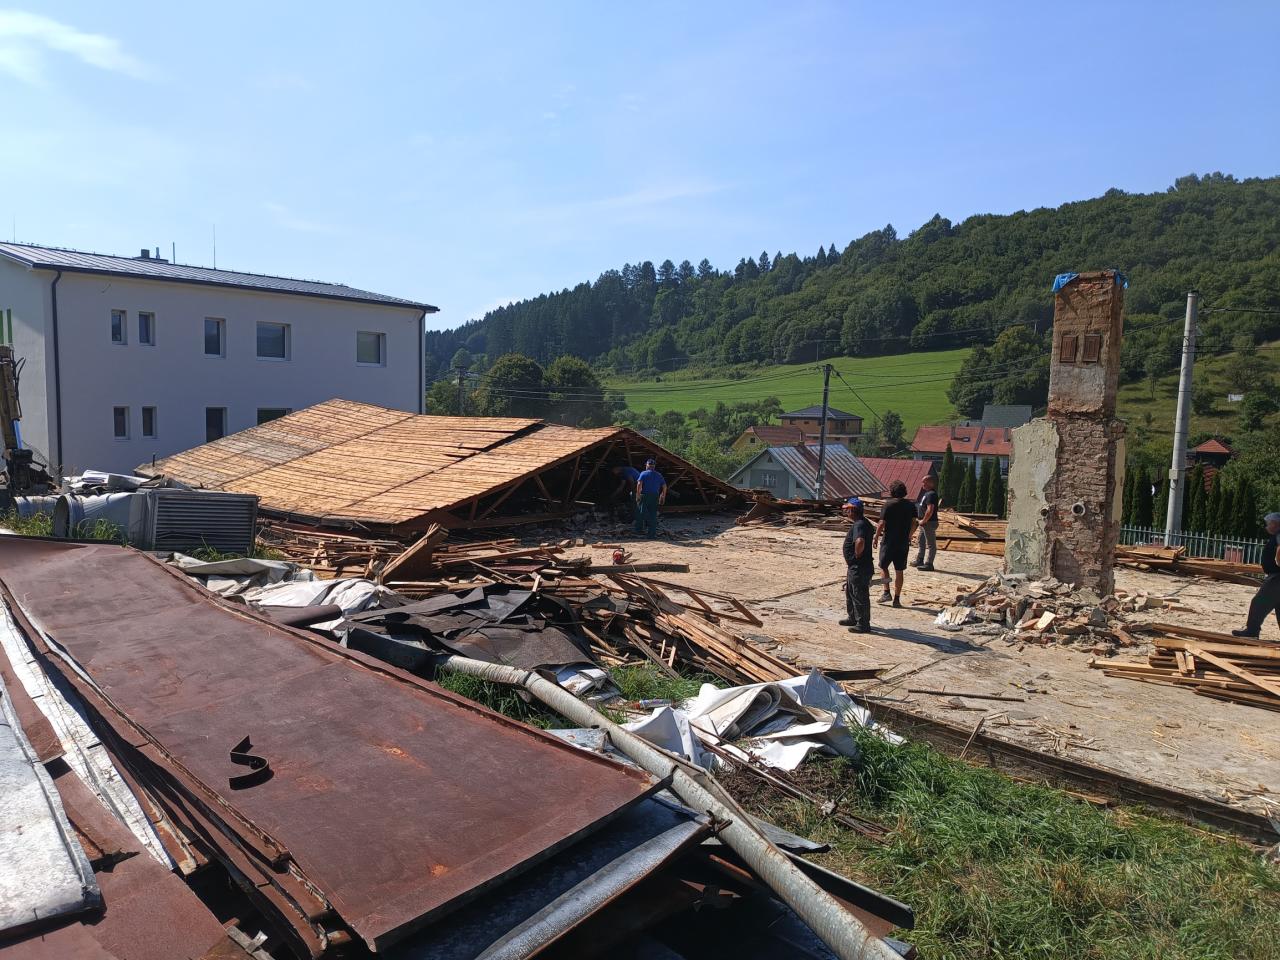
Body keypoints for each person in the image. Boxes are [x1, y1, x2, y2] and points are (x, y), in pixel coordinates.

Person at [1232, 511, 1280, 639]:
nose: (1267, 526)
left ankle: (1252, 631)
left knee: (1259, 602)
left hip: (1277, 577)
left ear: (1275, 524)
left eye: (1269, 523)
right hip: (1276, 576)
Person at [874, 479, 917, 608]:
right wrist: (909, 535)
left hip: (889, 541)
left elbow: (882, 523)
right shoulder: (911, 506)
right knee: (899, 570)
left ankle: (886, 592)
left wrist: (876, 536)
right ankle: (897, 599)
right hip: (903, 542)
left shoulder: (888, 505)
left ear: (892, 491)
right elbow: (914, 523)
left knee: (883, 566)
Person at [839, 498, 874, 633]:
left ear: (853, 510)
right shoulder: (862, 523)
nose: (846, 512)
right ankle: (853, 617)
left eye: (848, 509)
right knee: (851, 593)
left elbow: (860, 541)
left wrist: (856, 556)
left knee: (859, 595)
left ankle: (863, 624)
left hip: (859, 567)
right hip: (855, 567)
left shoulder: (860, 524)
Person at [634, 458, 667, 538]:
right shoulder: (659, 475)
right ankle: (651, 534)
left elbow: (639, 484)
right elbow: (665, 486)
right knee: (653, 514)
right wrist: (663, 496)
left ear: (647, 465)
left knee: (640, 512)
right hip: (655, 496)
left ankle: (639, 530)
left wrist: (638, 494)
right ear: (654, 466)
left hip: (645, 495)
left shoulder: (643, 473)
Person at [913, 474, 940, 571]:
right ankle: (920, 560)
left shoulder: (931, 494)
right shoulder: (927, 493)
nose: (923, 484)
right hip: (924, 523)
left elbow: (930, 509)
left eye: (924, 482)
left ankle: (929, 564)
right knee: (921, 541)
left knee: (931, 544)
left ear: (930, 483)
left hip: (929, 523)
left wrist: (924, 520)